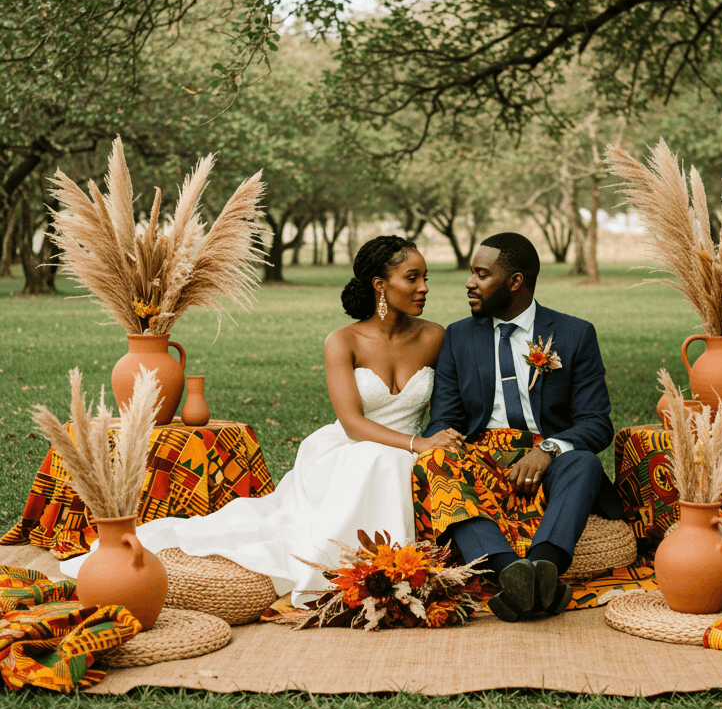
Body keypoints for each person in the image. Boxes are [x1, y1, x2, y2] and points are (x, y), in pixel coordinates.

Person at [60, 236, 464, 605]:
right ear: (380, 284)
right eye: (413, 278)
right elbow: (354, 423)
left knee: (387, 461)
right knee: (377, 460)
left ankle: (394, 569)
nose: (424, 287)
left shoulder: (434, 337)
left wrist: (431, 442)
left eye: (425, 278)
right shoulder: (343, 341)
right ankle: (370, 571)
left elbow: (449, 405)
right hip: (350, 449)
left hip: (410, 448)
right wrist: (417, 446)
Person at [414, 231, 619, 622]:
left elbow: (596, 423)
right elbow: (445, 417)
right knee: (433, 462)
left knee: (585, 464)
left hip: (548, 453)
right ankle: (509, 570)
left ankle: (544, 564)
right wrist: (447, 439)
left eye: (481, 274)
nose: (469, 283)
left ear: (515, 282)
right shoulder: (458, 336)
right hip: (482, 454)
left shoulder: (575, 334)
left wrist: (548, 450)